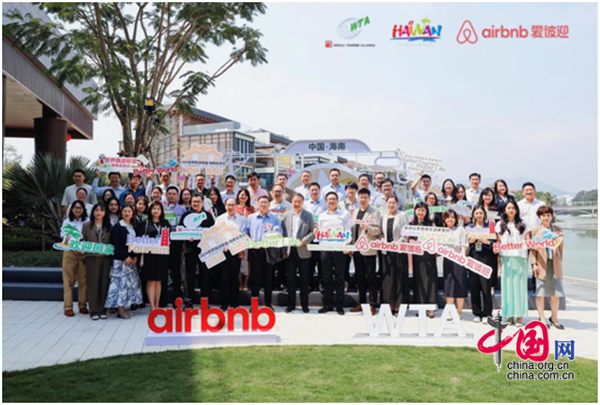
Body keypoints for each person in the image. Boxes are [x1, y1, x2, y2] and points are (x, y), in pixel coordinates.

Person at [528, 205, 565, 330]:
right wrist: (534, 264)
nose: (546, 218)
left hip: (555, 264)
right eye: (543, 216)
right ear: (539, 217)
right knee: (541, 292)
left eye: (548, 215)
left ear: (551, 216)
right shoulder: (534, 231)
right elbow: (532, 250)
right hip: (541, 264)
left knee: (556, 292)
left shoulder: (558, 230)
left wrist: (559, 261)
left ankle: (554, 318)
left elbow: (561, 248)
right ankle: (542, 318)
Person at [243, 196, 282, 309]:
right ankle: (254, 305)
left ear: (269, 205)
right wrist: (251, 241)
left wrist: (270, 241)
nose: (263, 205)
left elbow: (279, 234)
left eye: (265, 202)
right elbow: (244, 232)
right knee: (255, 278)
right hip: (255, 250)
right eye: (261, 203)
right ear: (257, 204)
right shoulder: (251, 218)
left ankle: (268, 304)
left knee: (268, 278)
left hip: (269, 251)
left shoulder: (274, 219)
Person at [494, 201, 528, 327]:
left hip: (520, 258)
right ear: (505, 210)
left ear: (517, 210)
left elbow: (528, 240)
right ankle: (509, 315)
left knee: (519, 287)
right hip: (506, 258)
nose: (511, 210)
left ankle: (519, 316)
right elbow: (498, 242)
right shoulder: (499, 224)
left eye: (513, 208)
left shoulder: (523, 224)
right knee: (507, 287)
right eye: (508, 208)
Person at [105, 204, 143, 319]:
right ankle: (120, 310)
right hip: (120, 261)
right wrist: (125, 257)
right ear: (121, 213)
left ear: (132, 214)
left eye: (129, 211)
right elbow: (116, 244)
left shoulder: (133, 226)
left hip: (131, 262)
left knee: (128, 285)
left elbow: (137, 242)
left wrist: (135, 256)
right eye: (125, 211)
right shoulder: (117, 226)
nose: (127, 213)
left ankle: (125, 307)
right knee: (120, 285)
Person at [316, 192, 350, 315]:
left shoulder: (344, 214)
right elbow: (319, 232)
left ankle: (339, 306)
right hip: (325, 249)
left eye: (334, 199)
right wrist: (316, 233)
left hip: (340, 249)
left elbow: (348, 230)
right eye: (329, 199)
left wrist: (347, 244)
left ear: (337, 201)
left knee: (340, 278)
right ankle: (328, 304)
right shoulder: (321, 216)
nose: (331, 201)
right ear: (326, 202)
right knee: (327, 278)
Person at [349, 188, 382, 315]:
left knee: (371, 278)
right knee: (360, 278)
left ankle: (373, 304)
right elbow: (352, 230)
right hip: (357, 249)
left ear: (369, 198)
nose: (363, 199)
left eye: (365, 197)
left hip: (369, 249)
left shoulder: (375, 212)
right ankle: (361, 303)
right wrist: (351, 246)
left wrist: (367, 228)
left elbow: (378, 230)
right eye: (361, 197)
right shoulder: (355, 212)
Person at [281, 193, 315, 313]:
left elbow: (313, 232)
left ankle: (304, 304)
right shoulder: (285, 215)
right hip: (290, 250)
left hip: (303, 249)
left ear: (303, 202)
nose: (297, 204)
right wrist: (283, 250)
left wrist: (304, 241)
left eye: (299, 202)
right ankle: (291, 304)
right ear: (292, 202)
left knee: (304, 279)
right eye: (295, 201)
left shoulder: (308, 215)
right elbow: (282, 234)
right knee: (290, 279)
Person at [181, 194, 215, 307]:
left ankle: (205, 301)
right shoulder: (186, 216)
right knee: (188, 275)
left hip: (204, 250)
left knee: (205, 275)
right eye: (194, 201)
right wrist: (186, 236)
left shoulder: (208, 216)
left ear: (202, 203)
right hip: (189, 249)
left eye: (198, 201)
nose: (196, 204)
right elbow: (180, 230)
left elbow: (213, 232)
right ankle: (188, 301)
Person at [137, 201, 170, 311]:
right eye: (154, 209)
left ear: (161, 211)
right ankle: (152, 306)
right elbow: (139, 239)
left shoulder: (165, 223)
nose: (156, 211)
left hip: (162, 255)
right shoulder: (145, 224)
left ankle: (157, 304)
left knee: (159, 281)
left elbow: (169, 237)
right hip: (149, 255)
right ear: (150, 210)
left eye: (158, 209)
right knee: (151, 280)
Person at [81, 204, 112, 320]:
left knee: (104, 284)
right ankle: (93, 310)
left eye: (101, 210)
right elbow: (82, 240)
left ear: (105, 213)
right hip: (92, 258)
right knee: (92, 284)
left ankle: (103, 309)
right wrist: (81, 248)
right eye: (97, 210)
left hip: (106, 258)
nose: (99, 213)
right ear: (93, 212)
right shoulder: (86, 226)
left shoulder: (109, 226)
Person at [380, 195, 409, 315]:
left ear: (397, 204)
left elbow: (407, 231)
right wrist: (382, 239)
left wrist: (400, 241)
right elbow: (381, 232)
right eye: (389, 203)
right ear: (386, 204)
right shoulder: (383, 217)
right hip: (387, 253)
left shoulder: (402, 215)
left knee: (399, 278)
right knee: (388, 279)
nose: (391, 205)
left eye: (393, 203)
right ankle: (390, 305)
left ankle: (400, 305)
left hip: (399, 251)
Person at [215, 197, 246, 310]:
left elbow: (244, 235)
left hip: (236, 252)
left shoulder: (242, 219)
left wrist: (242, 250)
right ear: (225, 206)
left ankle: (234, 302)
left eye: (233, 205)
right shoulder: (220, 219)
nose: (230, 207)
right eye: (228, 205)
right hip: (223, 251)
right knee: (223, 277)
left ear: (236, 206)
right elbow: (216, 235)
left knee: (234, 277)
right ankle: (224, 302)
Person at [60, 200, 89, 317]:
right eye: (75, 208)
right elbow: (64, 236)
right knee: (68, 281)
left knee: (83, 281)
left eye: (80, 208)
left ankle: (83, 305)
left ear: (83, 210)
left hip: (83, 252)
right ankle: (68, 307)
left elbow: (89, 236)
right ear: (71, 209)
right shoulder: (67, 221)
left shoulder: (87, 221)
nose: (78, 210)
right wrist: (74, 247)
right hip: (69, 252)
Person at [468, 205, 495, 323]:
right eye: (476, 213)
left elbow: (494, 242)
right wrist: (470, 241)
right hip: (473, 257)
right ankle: (477, 312)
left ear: (484, 214)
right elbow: (464, 242)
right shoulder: (469, 227)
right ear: (473, 215)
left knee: (486, 286)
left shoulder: (490, 226)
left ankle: (487, 313)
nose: (479, 215)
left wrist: (486, 241)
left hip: (486, 257)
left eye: (480, 213)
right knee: (474, 286)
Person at [409, 202, 437, 318]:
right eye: (419, 210)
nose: (420, 212)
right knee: (418, 282)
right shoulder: (411, 224)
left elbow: (436, 239)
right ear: (415, 211)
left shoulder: (431, 224)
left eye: (423, 210)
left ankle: (431, 309)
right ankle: (420, 308)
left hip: (429, 257)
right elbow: (408, 242)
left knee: (431, 282)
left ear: (426, 212)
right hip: (417, 258)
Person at [441, 209, 468, 320]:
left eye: (452, 217)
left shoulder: (460, 229)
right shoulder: (441, 231)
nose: (450, 219)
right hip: (447, 260)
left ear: (456, 219)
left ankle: (459, 312)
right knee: (449, 286)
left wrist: (462, 256)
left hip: (459, 260)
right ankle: (449, 311)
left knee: (460, 286)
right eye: (447, 217)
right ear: (444, 219)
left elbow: (464, 245)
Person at [164, 185, 187, 306]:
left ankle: (177, 298)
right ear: (166, 195)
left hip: (177, 242)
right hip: (163, 242)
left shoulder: (182, 210)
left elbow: (185, 227)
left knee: (176, 270)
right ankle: (162, 299)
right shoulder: (162, 208)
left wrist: (183, 242)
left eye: (174, 194)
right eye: (170, 194)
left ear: (178, 196)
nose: (172, 196)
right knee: (164, 269)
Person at [303, 182, 327, 291]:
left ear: (319, 191)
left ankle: (321, 283)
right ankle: (309, 284)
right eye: (312, 190)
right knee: (310, 262)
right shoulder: (305, 204)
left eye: (316, 190)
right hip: (309, 236)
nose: (314, 192)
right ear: (309, 192)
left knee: (322, 262)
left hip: (322, 236)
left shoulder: (324, 204)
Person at [269, 184, 293, 290]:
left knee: (283, 261)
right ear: (272, 193)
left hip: (284, 236)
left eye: (279, 191)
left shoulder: (289, 206)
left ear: (283, 193)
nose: (277, 193)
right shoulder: (269, 205)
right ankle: (271, 284)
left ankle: (283, 283)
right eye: (275, 191)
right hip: (271, 238)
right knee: (271, 262)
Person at [236, 188, 255, 292]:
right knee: (238, 260)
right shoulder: (234, 208)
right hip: (236, 239)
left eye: (245, 195)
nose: (243, 196)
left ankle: (246, 283)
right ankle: (240, 283)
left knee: (247, 261)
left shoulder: (251, 209)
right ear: (238, 195)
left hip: (248, 238)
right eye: (241, 194)